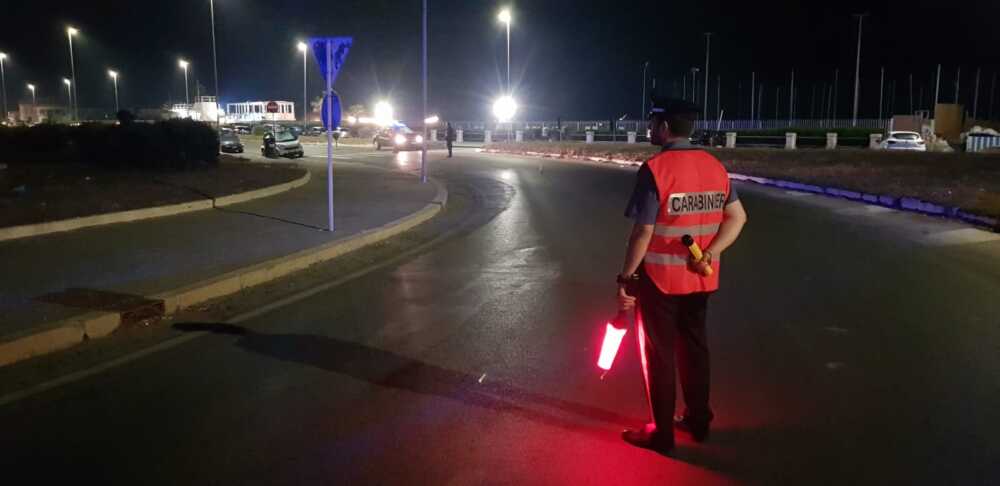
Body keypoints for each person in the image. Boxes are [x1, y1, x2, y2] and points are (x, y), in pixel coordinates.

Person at [617, 97, 748, 455]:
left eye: (651, 122)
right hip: (700, 279)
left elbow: (642, 233)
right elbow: (738, 217)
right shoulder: (714, 166)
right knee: (695, 349)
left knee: (659, 355)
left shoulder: (655, 169)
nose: (648, 128)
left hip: (660, 281)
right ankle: (698, 420)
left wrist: (626, 276)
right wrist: (711, 252)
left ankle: (662, 434)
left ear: (664, 126)